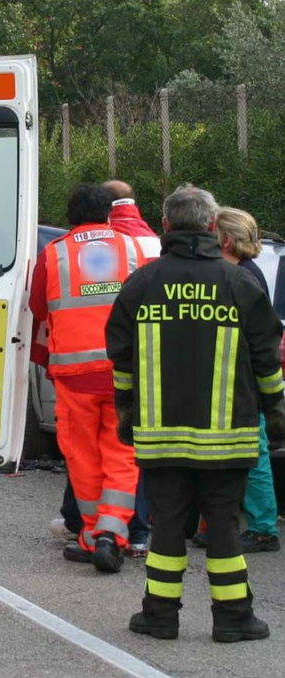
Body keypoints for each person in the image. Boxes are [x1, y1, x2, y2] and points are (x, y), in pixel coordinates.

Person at [107, 184, 285, 643]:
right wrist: (277, 416)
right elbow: (268, 363)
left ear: (166, 225)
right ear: (212, 227)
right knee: (224, 527)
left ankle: (159, 616)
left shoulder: (142, 284)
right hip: (228, 438)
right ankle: (234, 619)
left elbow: (121, 360)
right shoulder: (240, 283)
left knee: (167, 525)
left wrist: (126, 414)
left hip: (161, 437)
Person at [30, 184, 148, 573]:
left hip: (74, 374)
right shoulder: (133, 249)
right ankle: (113, 537)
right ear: (110, 213)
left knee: (81, 454)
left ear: (69, 216)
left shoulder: (54, 253)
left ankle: (93, 533)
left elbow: (37, 307)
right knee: (121, 453)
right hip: (123, 371)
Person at [206, 207, 278, 553]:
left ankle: (264, 528)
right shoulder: (244, 272)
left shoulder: (244, 277)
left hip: (242, 381)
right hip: (233, 379)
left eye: (213, 232)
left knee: (255, 453)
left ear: (227, 240)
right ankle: (221, 521)